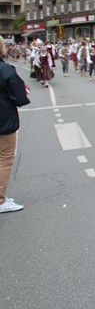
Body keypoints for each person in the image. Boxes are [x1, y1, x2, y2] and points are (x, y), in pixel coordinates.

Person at [0, 39, 30, 213]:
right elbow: (19, 95)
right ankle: (1, 200)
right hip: (3, 120)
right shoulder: (5, 69)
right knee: (4, 159)